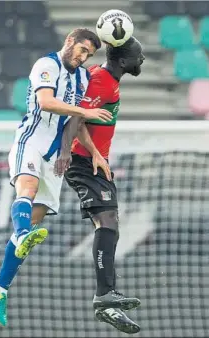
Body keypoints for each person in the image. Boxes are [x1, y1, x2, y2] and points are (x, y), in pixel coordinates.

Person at [0, 28, 113, 327]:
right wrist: (86, 112)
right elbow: (47, 102)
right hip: (30, 141)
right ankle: (19, 235)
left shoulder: (82, 78)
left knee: (34, 221)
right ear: (69, 41)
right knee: (25, 190)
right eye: (81, 49)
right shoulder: (46, 65)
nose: (82, 57)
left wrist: (92, 151)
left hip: (54, 155)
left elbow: (75, 121)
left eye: (88, 55)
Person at [54, 36, 146, 334]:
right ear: (122, 61)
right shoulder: (102, 81)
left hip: (96, 162)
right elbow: (76, 118)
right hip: (84, 161)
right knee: (106, 223)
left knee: (110, 225)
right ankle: (104, 296)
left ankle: (106, 298)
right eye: (138, 55)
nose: (142, 59)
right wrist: (72, 152)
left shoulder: (105, 77)